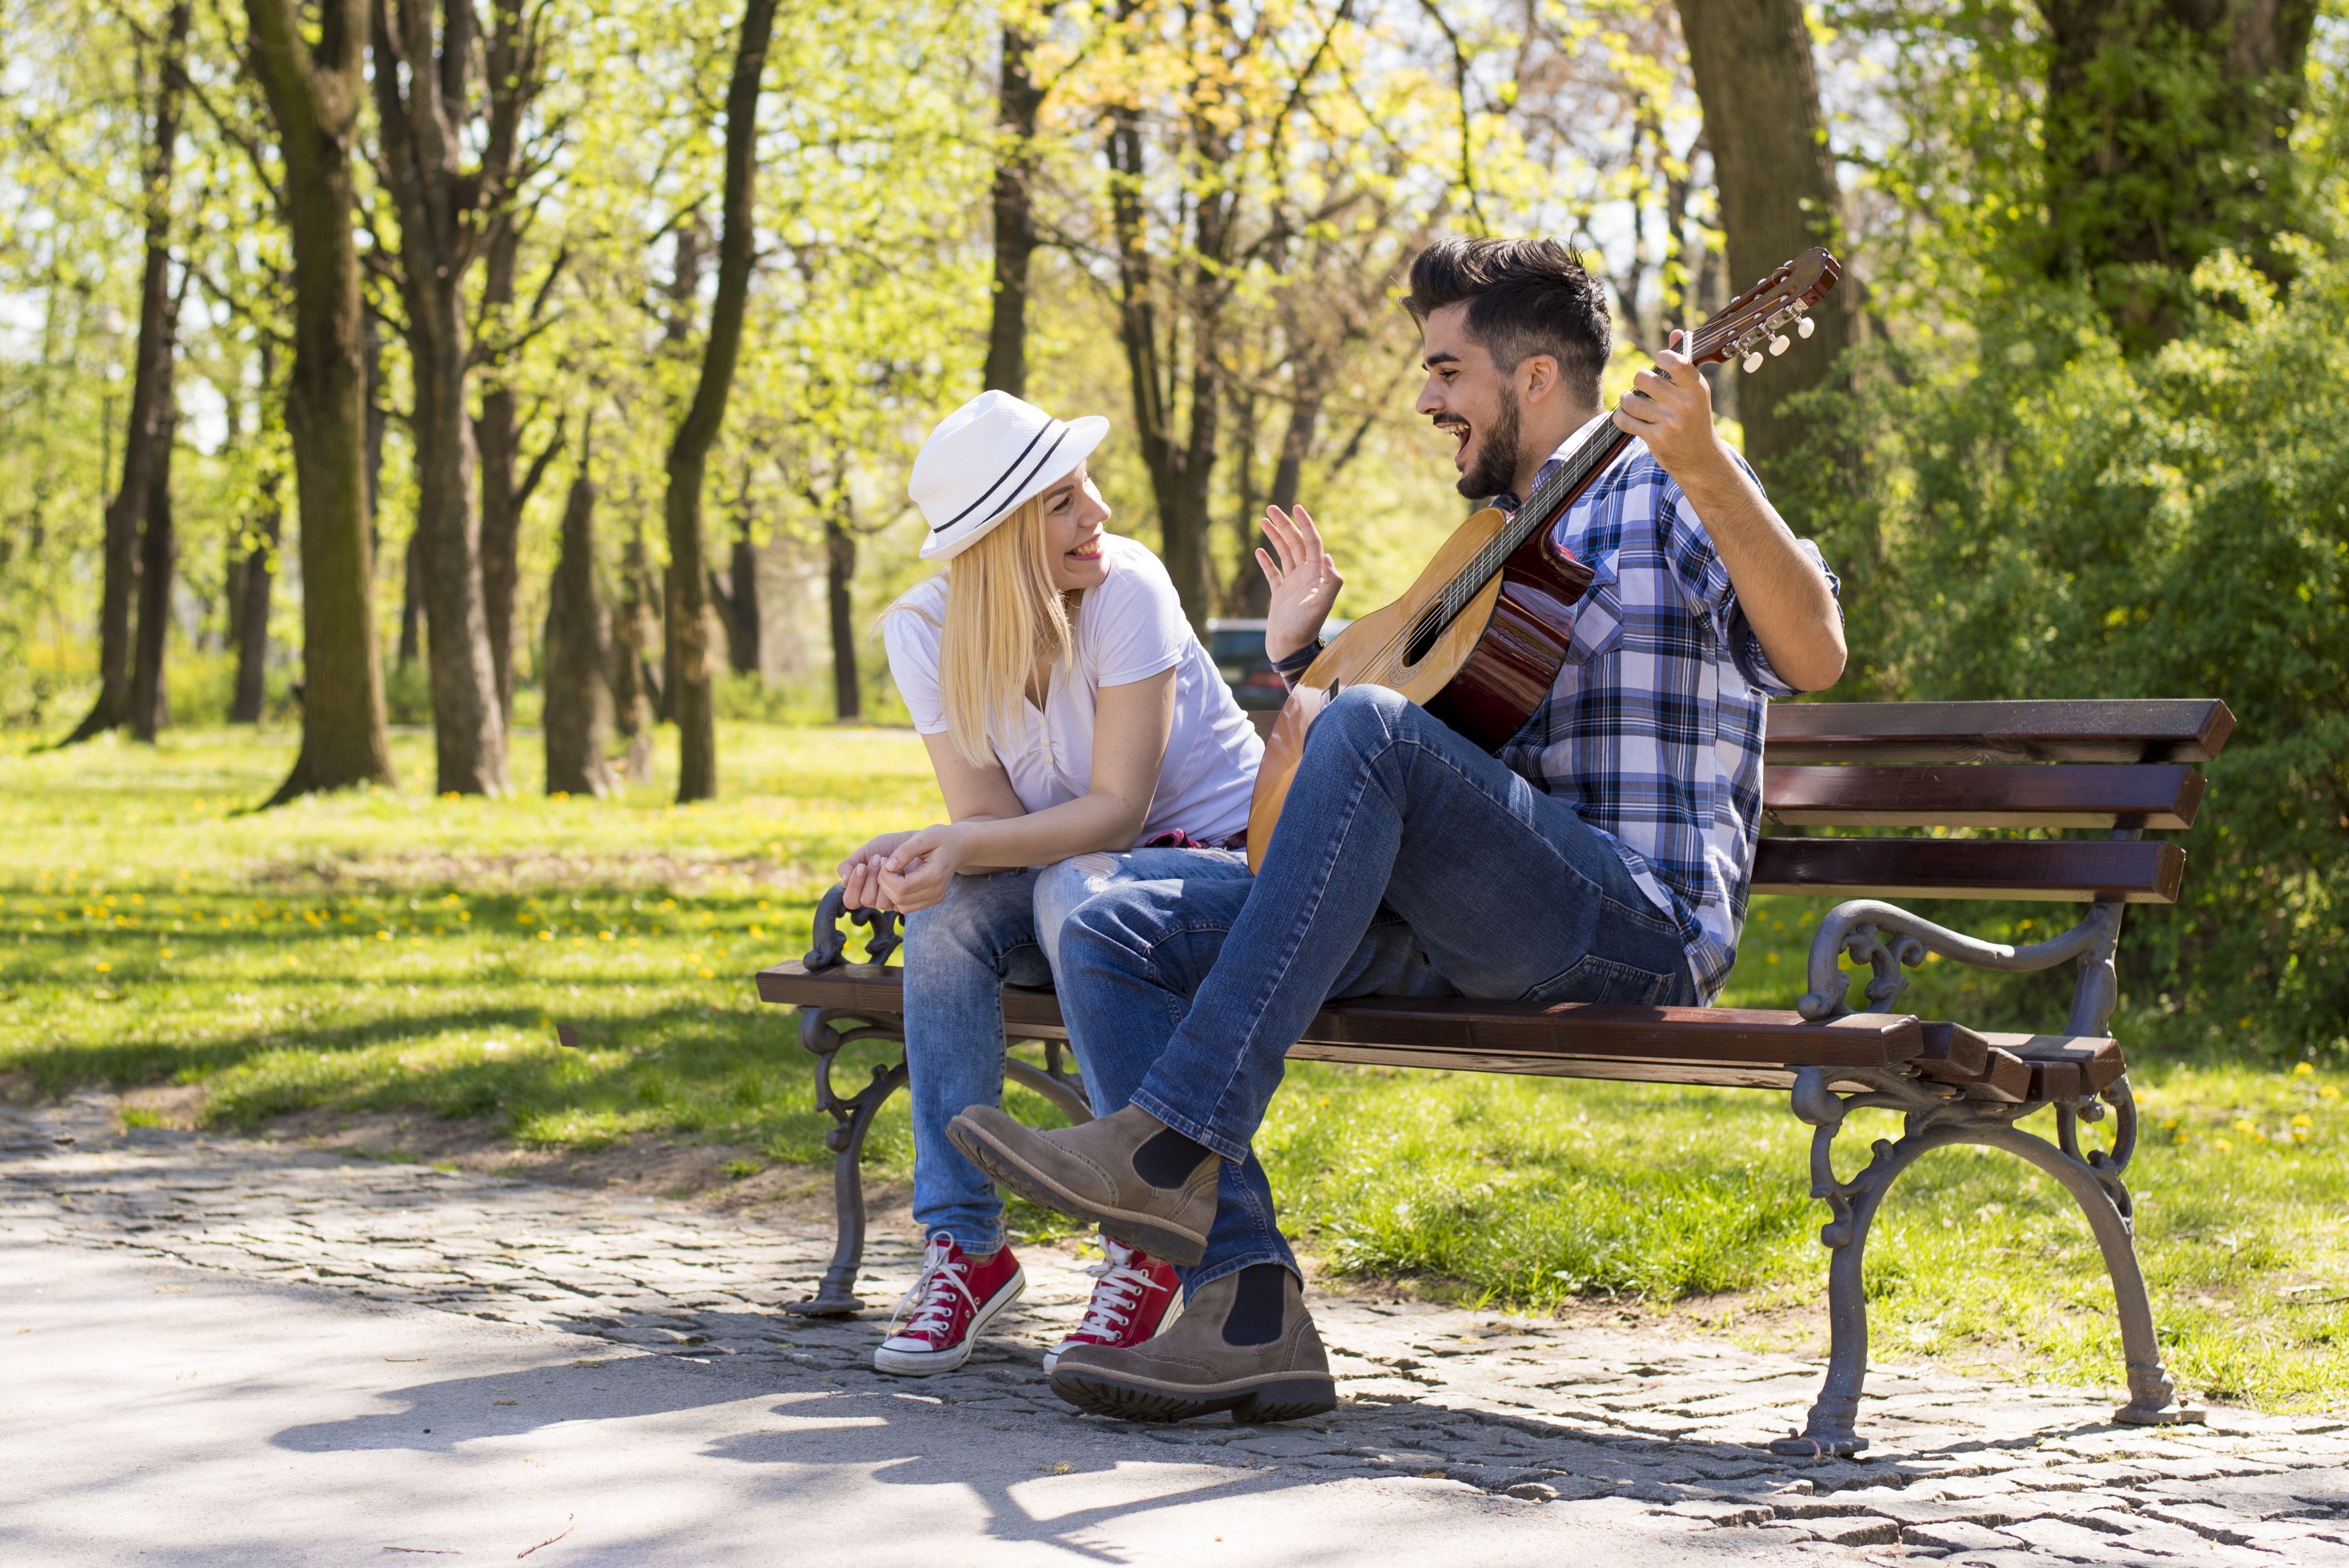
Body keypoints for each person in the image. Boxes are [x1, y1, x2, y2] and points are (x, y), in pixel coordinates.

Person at [947, 238, 1849, 1423]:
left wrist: (1712, 463)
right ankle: (1247, 1304)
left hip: (1633, 916)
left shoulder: (1660, 481)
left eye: (1445, 371)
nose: (1427, 401)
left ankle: (1166, 1148)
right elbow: (1418, 723)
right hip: (1472, 915)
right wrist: (1299, 662)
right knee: (1117, 923)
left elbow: (1817, 652)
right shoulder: (1494, 535)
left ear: (1533, 379)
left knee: (1366, 731)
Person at [837, 389, 1271, 1379]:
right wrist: (925, 854)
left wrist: (958, 841)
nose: (1101, 514)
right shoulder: (922, 630)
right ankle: (966, 1247)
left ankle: (1144, 1235)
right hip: (1069, 879)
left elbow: (1118, 810)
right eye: (1065, 501)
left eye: (1088, 489)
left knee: (1075, 887)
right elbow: (987, 825)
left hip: (1210, 872)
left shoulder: (1129, 589)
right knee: (949, 909)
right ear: (997, 536)